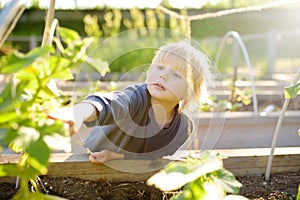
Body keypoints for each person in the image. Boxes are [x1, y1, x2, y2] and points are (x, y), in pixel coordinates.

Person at [48, 41, 214, 164]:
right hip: (91, 154)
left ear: (191, 92)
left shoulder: (183, 128)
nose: (163, 76)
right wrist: (79, 111)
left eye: (177, 75)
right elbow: (111, 103)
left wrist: (116, 156)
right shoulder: (136, 99)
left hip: (120, 163)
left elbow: (154, 155)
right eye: (159, 67)